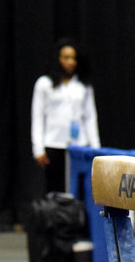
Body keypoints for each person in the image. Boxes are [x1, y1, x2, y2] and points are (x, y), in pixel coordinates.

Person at [30, 39, 101, 193]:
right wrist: (38, 149)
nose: (70, 62)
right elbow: (37, 117)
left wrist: (96, 149)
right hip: (54, 145)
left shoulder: (83, 86)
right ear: (58, 59)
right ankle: (56, 217)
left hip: (78, 145)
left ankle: (77, 217)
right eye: (66, 58)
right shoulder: (44, 84)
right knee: (55, 189)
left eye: (73, 58)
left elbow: (90, 117)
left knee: (78, 189)